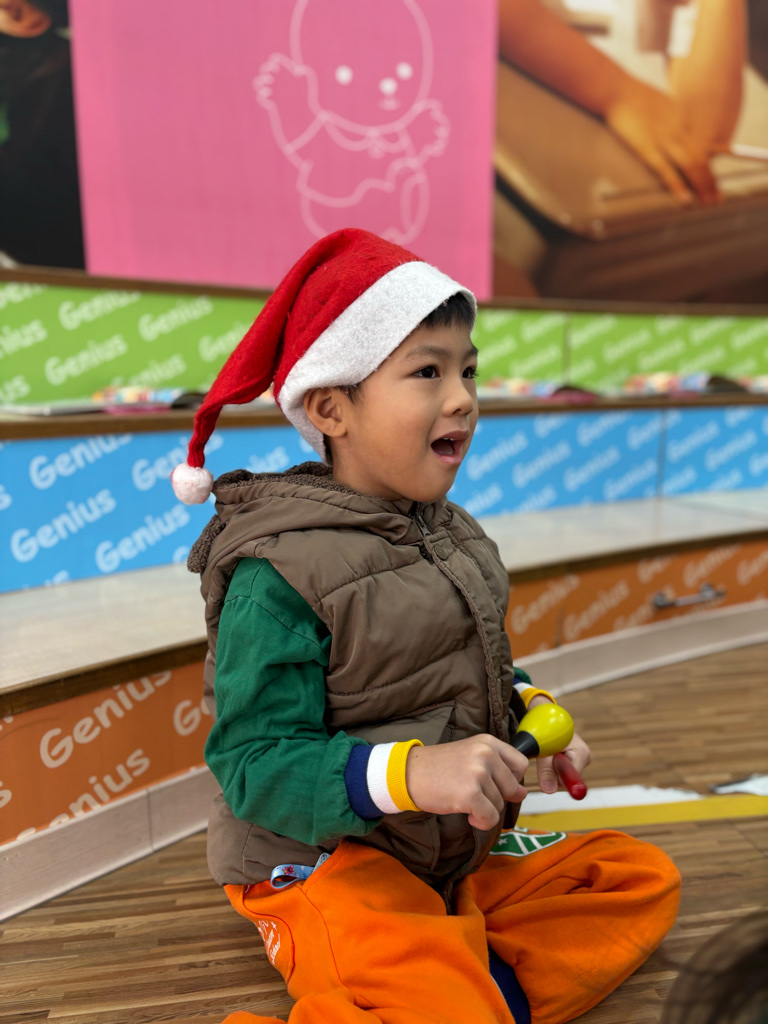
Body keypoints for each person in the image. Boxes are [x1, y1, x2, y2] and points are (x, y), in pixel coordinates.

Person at [172, 227, 681, 1024]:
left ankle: (461, 982)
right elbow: (255, 768)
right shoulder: (277, 573)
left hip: (442, 852)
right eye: (427, 372)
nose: (464, 397)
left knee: (640, 877)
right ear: (331, 407)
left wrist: (531, 712)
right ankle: (455, 985)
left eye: (468, 370)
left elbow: (478, 666)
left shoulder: (458, 536)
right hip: (323, 859)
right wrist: (415, 775)